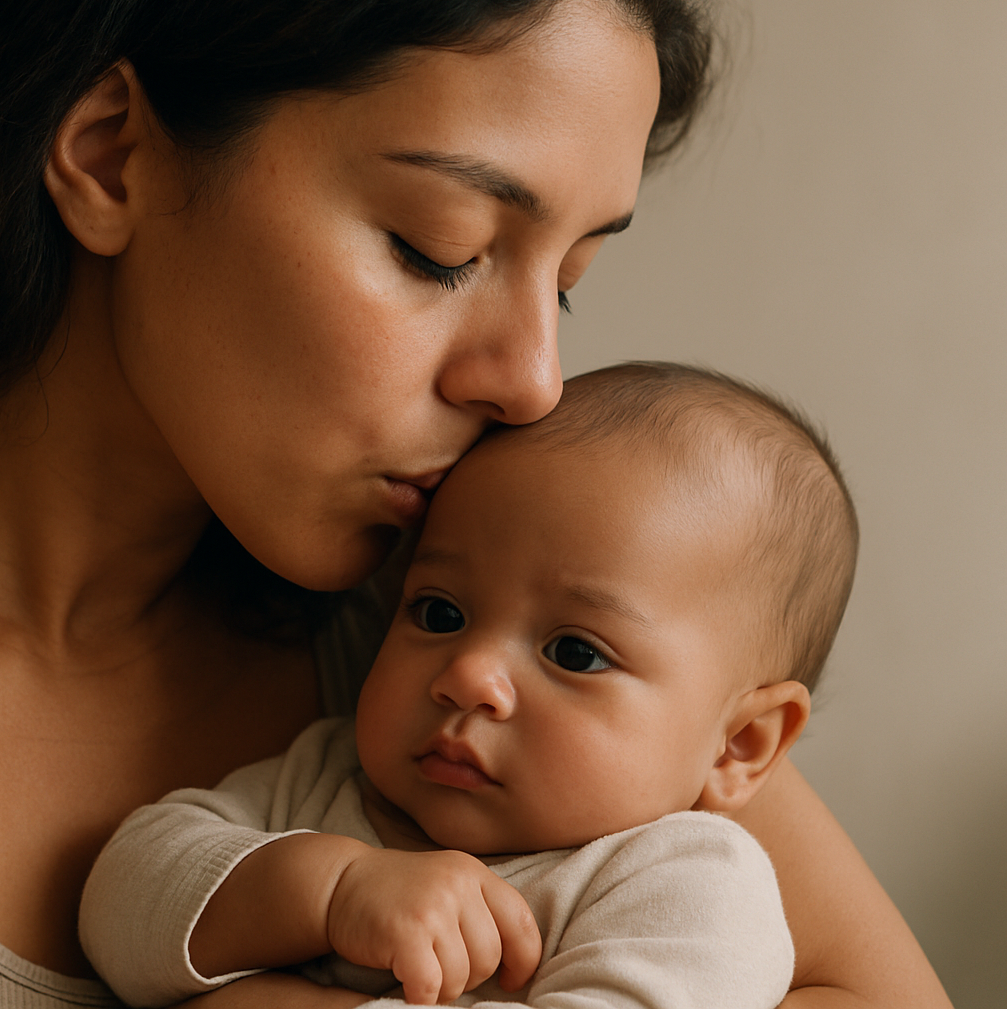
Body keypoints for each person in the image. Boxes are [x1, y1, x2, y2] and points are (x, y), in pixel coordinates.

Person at [0, 0, 950, 1007]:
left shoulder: (463, 606)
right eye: (441, 248)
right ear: (110, 154)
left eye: (571, 279)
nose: (533, 381)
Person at [81, 362, 849, 1009]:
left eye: (575, 653)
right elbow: (118, 904)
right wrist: (329, 891)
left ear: (740, 744)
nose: (468, 676)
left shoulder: (690, 887)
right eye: (440, 612)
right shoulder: (327, 779)